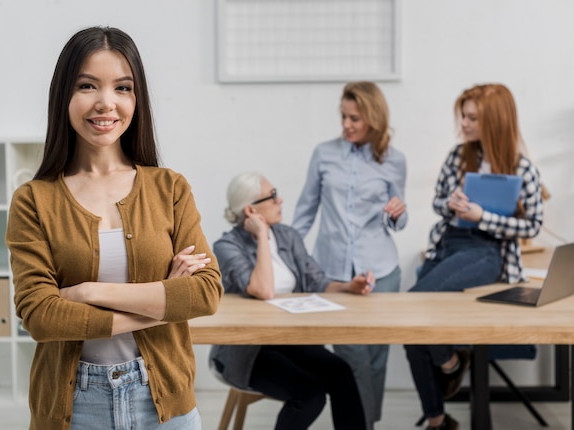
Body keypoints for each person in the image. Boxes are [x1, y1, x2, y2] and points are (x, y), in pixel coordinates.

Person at [5, 26, 223, 430]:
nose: (106, 103)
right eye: (88, 85)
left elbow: (206, 293)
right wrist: (161, 308)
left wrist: (90, 293)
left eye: (122, 88)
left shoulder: (169, 188)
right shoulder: (33, 200)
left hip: (165, 403)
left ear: (136, 99)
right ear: (64, 97)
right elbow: (41, 317)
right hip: (72, 406)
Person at [404, 83, 543, 430]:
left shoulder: (522, 169)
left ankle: (451, 362)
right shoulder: (458, 156)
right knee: (410, 326)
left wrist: (483, 217)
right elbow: (438, 200)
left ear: (493, 121)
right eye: (462, 116)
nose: (463, 125)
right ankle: (439, 417)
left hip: (486, 250)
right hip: (449, 241)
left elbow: (533, 226)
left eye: (471, 118)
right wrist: (451, 204)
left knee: (413, 305)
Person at [209, 171, 375, 430]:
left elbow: (316, 281)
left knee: (341, 372)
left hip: (288, 339)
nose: (281, 200)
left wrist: (348, 287)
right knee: (310, 395)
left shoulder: (288, 236)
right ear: (251, 209)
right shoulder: (227, 246)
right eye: (273, 196)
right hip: (248, 350)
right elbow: (262, 289)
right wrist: (262, 235)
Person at [292, 81, 407, 429]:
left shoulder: (394, 160)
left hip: (382, 269)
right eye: (343, 116)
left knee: (375, 356)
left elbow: (398, 219)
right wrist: (291, 257)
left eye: (354, 118)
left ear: (374, 117)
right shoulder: (324, 154)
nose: (346, 125)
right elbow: (305, 209)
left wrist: (398, 213)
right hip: (334, 274)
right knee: (351, 354)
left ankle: (366, 420)